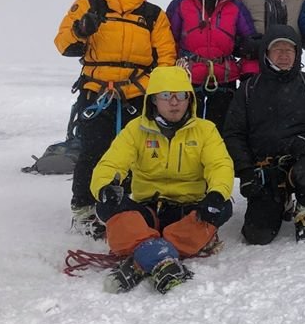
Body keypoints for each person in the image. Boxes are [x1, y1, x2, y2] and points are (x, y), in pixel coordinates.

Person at [54, 0, 177, 238]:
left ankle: (126, 205)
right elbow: (63, 44)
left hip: (136, 94)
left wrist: (144, 87)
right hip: (97, 92)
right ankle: (84, 207)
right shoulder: (89, 5)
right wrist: (81, 31)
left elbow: (166, 58)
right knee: (93, 151)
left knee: (136, 154)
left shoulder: (153, 15)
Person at [90, 66, 234, 294]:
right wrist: (105, 187)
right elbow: (111, 164)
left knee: (222, 206)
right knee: (107, 205)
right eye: (166, 95)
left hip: (188, 213)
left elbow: (220, 165)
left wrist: (216, 194)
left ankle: (141, 257)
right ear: (154, 100)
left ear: (189, 99)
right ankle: (164, 256)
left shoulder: (206, 130)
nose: (174, 102)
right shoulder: (135, 129)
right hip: (148, 213)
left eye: (181, 95)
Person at [222, 25, 305, 245]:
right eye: (277, 49)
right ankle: (282, 200)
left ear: (297, 54)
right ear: (266, 54)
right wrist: (245, 170)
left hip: (301, 159)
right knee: (257, 236)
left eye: (289, 50)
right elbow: (233, 133)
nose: (284, 55)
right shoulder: (248, 89)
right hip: (265, 167)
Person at [166, 0, 261, 131]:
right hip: (187, 79)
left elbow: (251, 43)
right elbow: (169, 41)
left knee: (221, 133)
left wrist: (249, 74)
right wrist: (168, 75)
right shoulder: (181, 3)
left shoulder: (235, 5)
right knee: (186, 132)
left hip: (224, 79)